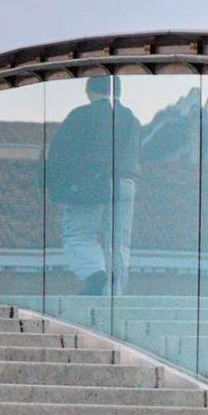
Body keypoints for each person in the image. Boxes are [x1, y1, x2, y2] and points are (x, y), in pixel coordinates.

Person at [45, 76, 141, 295]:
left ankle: (94, 276)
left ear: (90, 90)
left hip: (91, 182)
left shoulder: (82, 115)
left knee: (79, 236)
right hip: (127, 183)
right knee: (118, 243)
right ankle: (113, 294)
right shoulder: (131, 119)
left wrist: (55, 182)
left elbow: (61, 153)